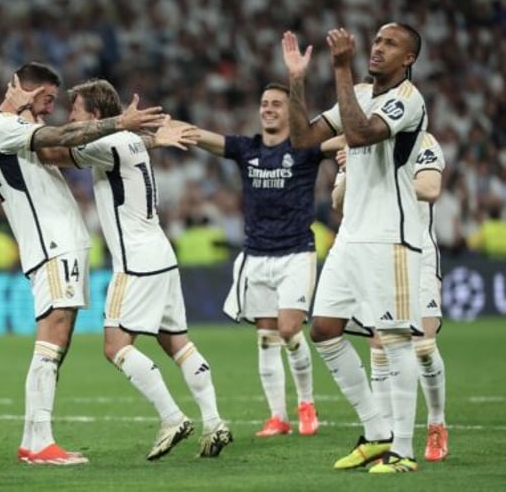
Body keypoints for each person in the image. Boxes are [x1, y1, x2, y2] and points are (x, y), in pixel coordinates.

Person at [37, 78, 233, 460]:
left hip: (136, 262)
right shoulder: (127, 142)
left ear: (95, 115)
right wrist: (155, 139)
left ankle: (172, 417)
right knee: (176, 341)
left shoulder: (104, 144)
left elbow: (51, 153)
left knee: (115, 347)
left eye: (75, 111)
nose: (70, 118)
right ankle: (213, 422)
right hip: (161, 253)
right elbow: (131, 141)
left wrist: (29, 138)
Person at [0, 63, 165, 465]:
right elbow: (61, 136)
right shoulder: (3, 127)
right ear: (25, 90)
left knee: (56, 341)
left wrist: (144, 140)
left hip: (57, 244)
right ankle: (42, 441)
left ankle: (33, 441)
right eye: (47, 99)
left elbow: (72, 151)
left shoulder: (21, 132)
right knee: (54, 335)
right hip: (51, 245)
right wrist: (121, 121)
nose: (50, 109)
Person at [282, 24, 427, 474]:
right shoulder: (360, 91)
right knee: (323, 329)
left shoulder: (408, 99)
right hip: (350, 237)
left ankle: (402, 450)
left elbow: (362, 134)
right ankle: (376, 433)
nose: (379, 48)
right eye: (377, 41)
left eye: (391, 44)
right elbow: (304, 142)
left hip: (391, 236)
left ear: (408, 59)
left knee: (396, 339)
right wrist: (298, 80)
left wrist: (341, 68)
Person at [179, 83, 326, 438]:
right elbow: (210, 139)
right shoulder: (248, 149)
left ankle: (306, 403)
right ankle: (278, 417)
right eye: (264, 104)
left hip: (296, 251)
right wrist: (179, 129)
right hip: (256, 254)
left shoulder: (304, 150)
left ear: (291, 112)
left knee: (289, 329)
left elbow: (345, 141)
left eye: (277, 104)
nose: (269, 109)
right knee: (265, 337)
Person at [333, 132, 449, 462]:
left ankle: (437, 423)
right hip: (378, 255)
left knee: (424, 346)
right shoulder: (359, 146)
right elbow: (338, 201)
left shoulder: (425, 142)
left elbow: (430, 189)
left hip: (418, 253)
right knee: (379, 345)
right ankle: (384, 436)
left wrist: (378, 178)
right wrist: (353, 173)